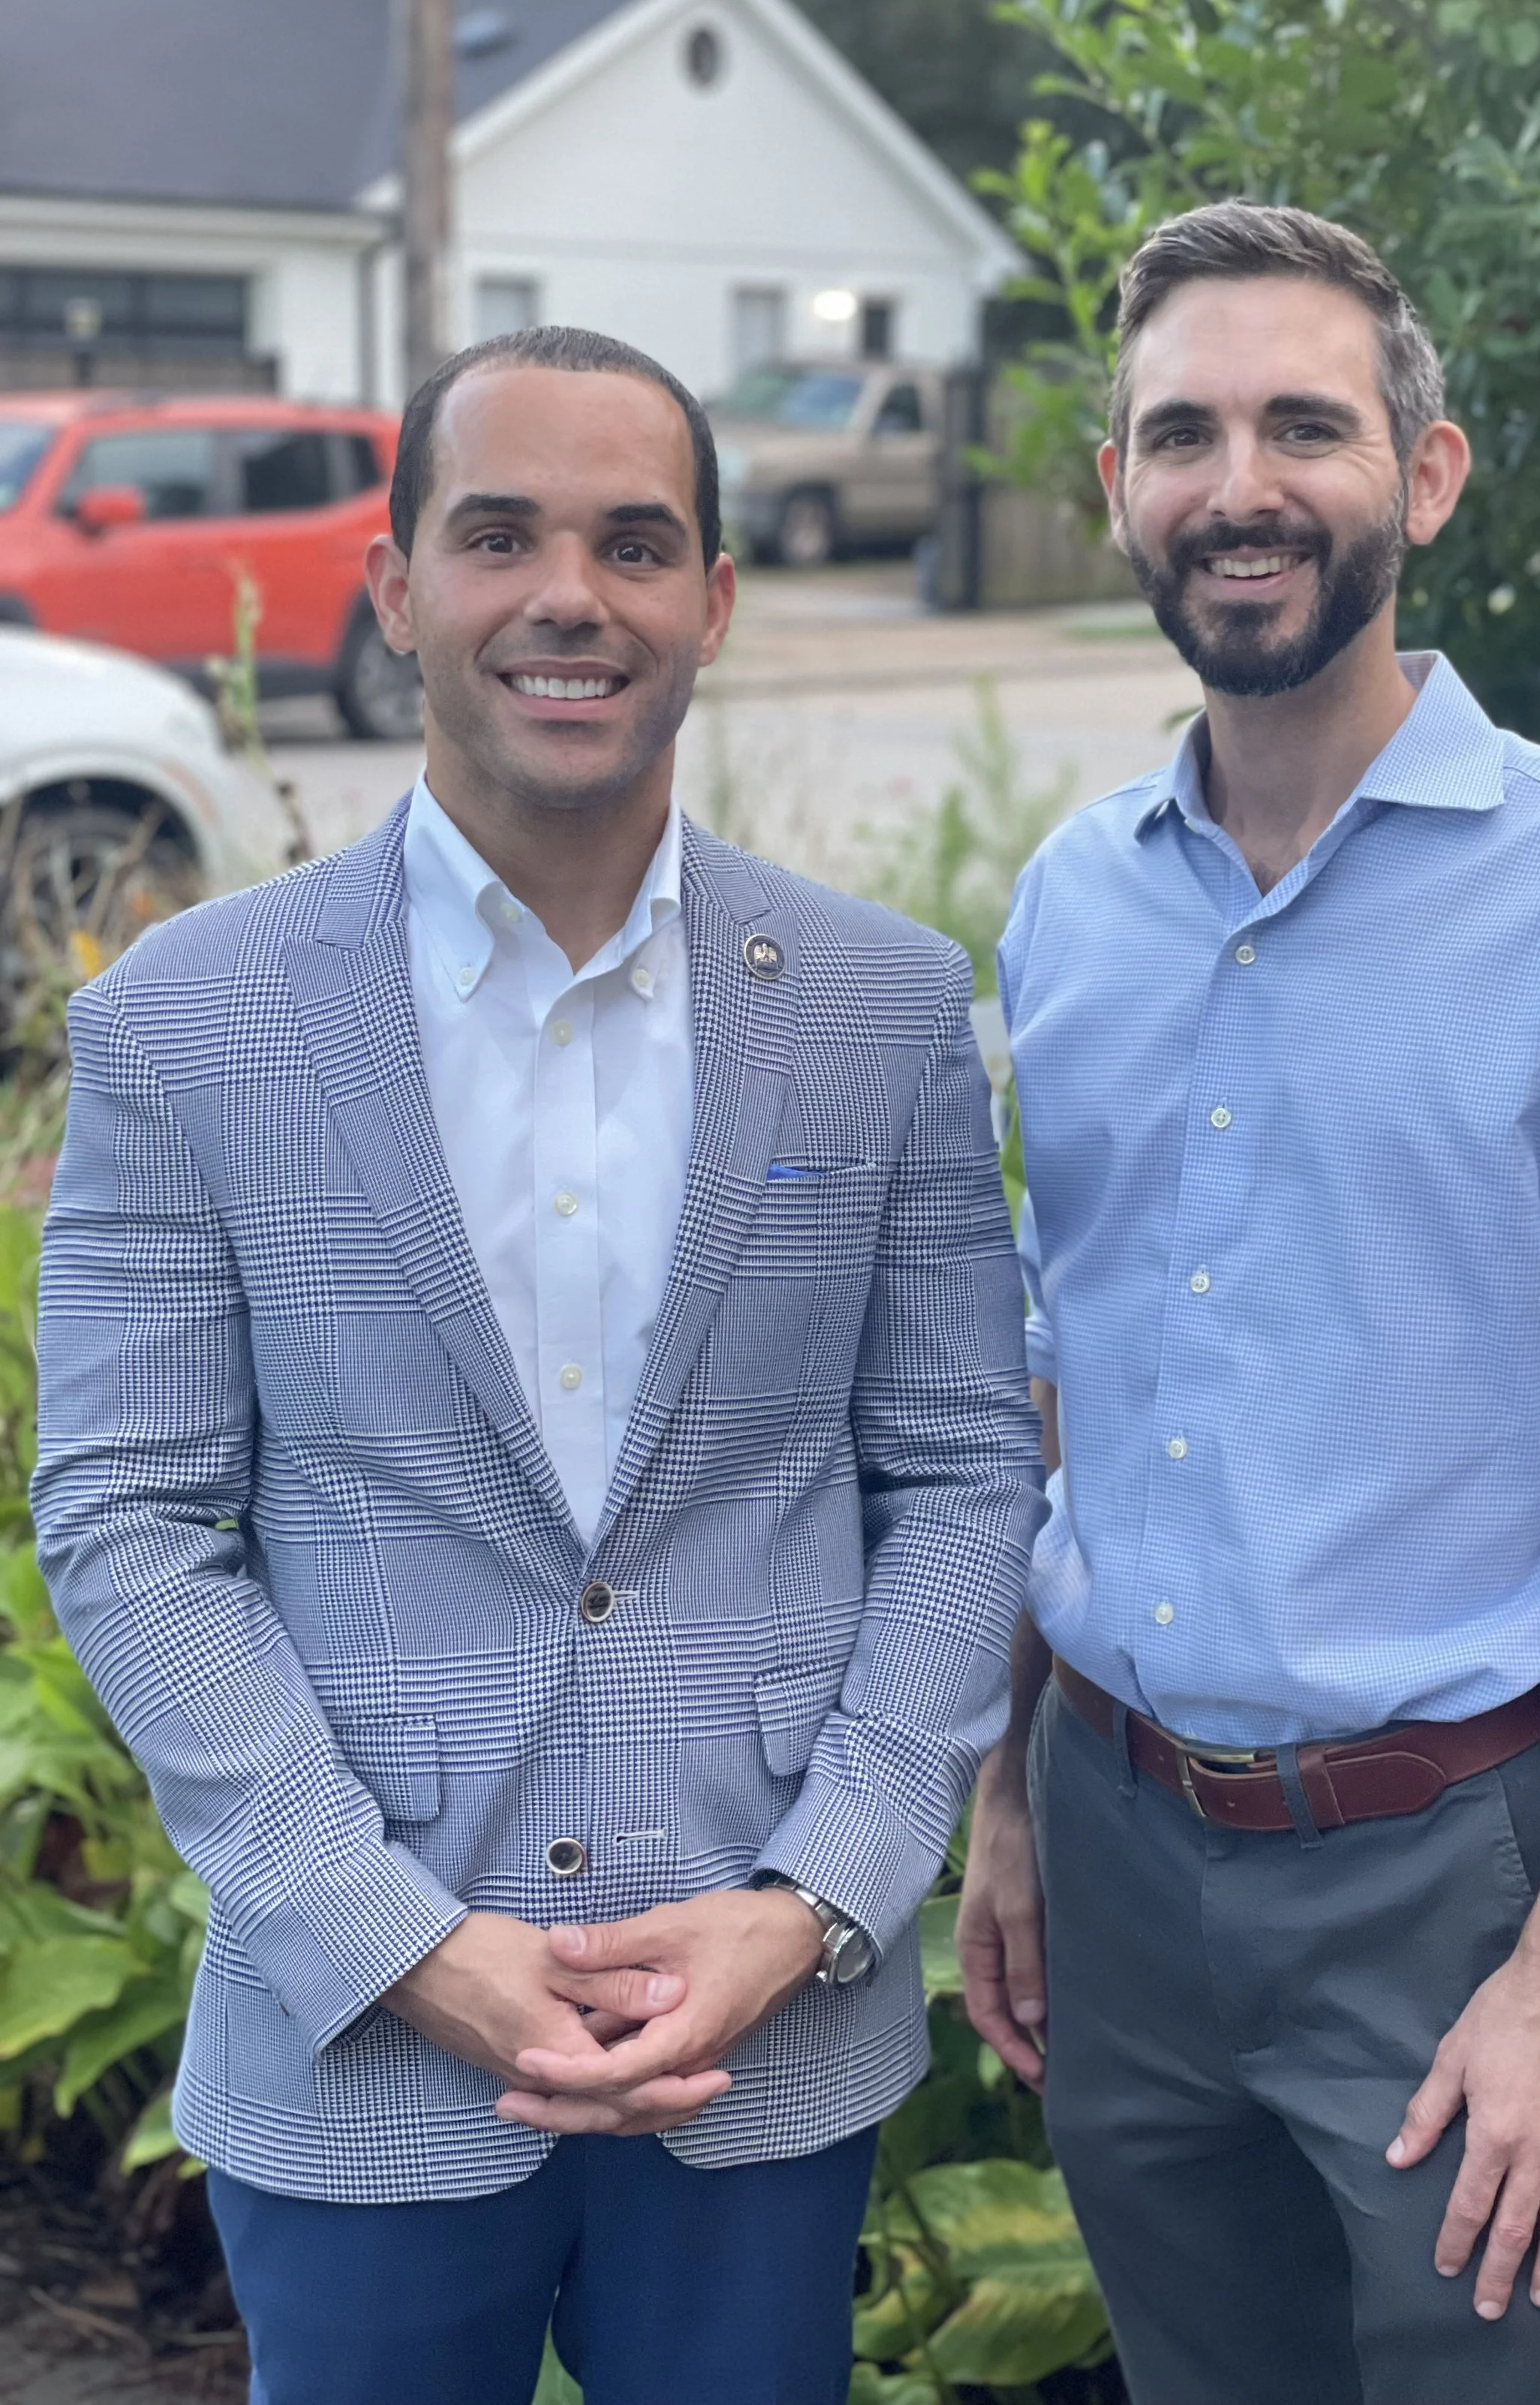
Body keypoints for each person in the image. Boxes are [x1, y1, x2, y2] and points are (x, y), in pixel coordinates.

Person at [32, 324, 1045, 2405]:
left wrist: (823, 1891)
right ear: (397, 585)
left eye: (633, 541)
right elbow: (129, 1513)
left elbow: (957, 1469)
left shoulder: (877, 1004)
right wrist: (389, 1931)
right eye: (498, 534)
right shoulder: (189, 1023)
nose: (567, 594)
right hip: (360, 2030)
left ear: (712, 604)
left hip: (750, 2036)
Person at [956, 204, 1540, 2405]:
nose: (1236, 483)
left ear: (1420, 479)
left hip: (1449, 1882)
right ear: (1119, 490)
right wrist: (999, 1802)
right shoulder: (1072, 900)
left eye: (1301, 425)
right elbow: (1060, 1359)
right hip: (1114, 1843)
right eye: (1180, 432)